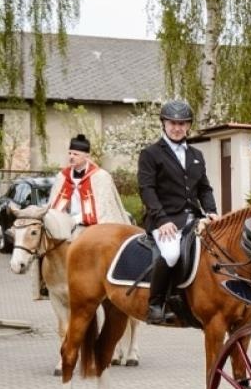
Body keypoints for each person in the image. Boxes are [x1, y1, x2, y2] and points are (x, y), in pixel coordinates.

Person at [137, 99, 217, 325]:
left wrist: (211, 211)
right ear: (163, 123)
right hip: (164, 219)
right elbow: (147, 189)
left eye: (182, 123)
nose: (177, 127)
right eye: (172, 123)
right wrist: (161, 219)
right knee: (171, 254)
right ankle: (156, 303)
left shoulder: (196, 155)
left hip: (194, 218)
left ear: (188, 126)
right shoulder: (150, 153)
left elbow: (204, 188)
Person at [48, 135, 131, 230]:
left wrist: (78, 219)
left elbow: (103, 207)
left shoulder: (100, 177)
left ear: (87, 156)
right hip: (67, 224)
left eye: (76, 154)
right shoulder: (62, 176)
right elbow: (54, 205)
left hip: (94, 227)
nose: (71, 157)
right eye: (70, 153)